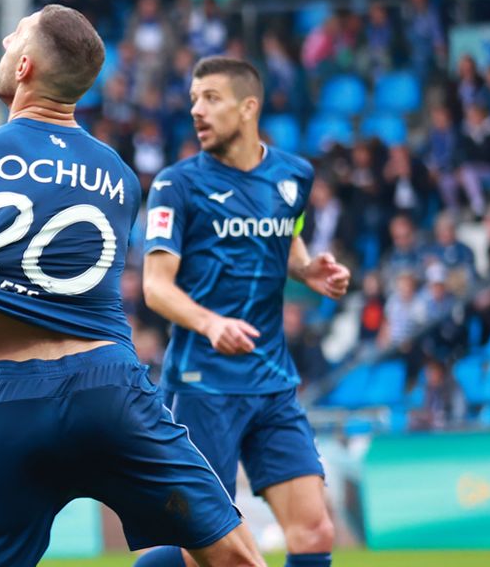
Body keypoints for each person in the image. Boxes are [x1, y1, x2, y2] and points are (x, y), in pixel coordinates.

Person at [0, 6, 264, 566]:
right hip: (108, 390)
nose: (6, 41)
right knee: (233, 556)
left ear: (24, 67)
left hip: (3, 400)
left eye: (13, 37)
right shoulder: (117, 174)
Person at [139, 56, 351, 567]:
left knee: (316, 530)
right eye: (193, 99)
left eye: (210, 98)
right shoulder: (178, 184)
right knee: (209, 550)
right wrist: (211, 323)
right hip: (202, 385)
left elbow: (287, 234)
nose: (197, 110)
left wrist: (306, 269)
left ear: (248, 106)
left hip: (272, 381)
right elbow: (155, 287)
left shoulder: (294, 175)